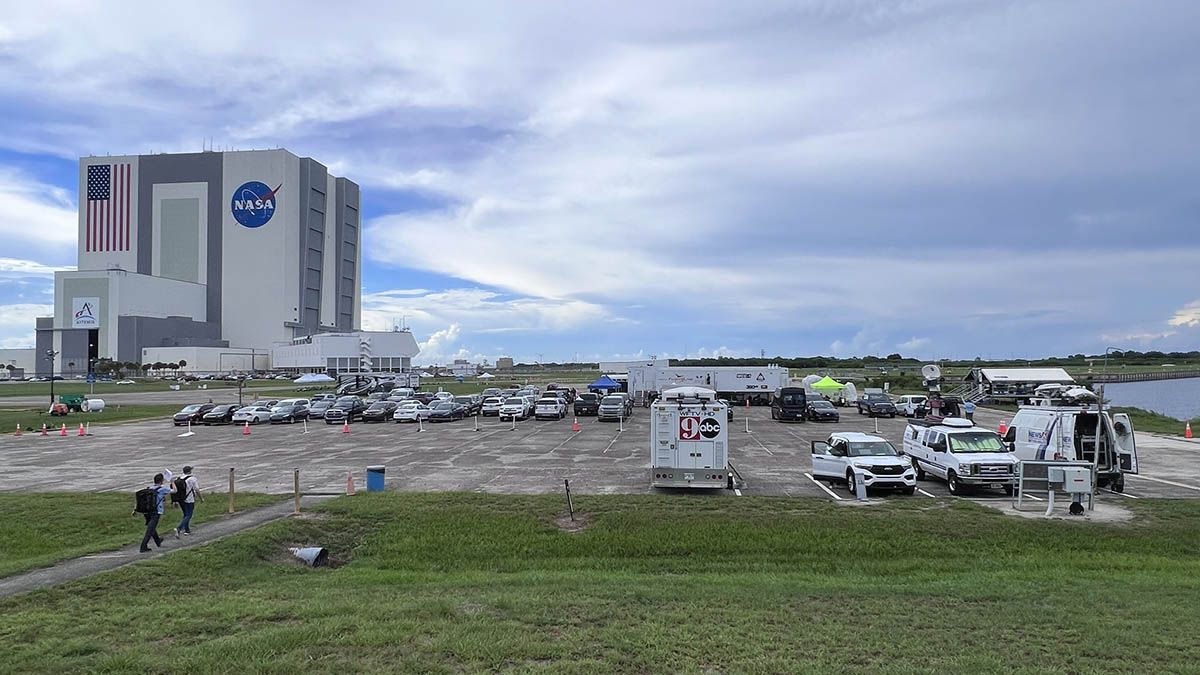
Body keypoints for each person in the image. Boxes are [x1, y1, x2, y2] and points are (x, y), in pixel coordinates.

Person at [138, 473, 176, 553]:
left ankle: (158, 540)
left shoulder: (149, 488)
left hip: (147, 511)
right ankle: (143, 546)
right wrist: (172, 482)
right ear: (161, 481)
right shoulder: (162, 489)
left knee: (151, 527)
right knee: (150, 530)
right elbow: (175, 491)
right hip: (156, 511)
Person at [172, 466, 204, 538]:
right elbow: (196, 489)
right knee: (189, 515)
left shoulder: (179, 478)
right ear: (190, 471)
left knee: (185, 514)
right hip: (189, 499)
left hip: (181, 499)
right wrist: (201, 498)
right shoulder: (192, 479)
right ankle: (179, 528)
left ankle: (187, 530)